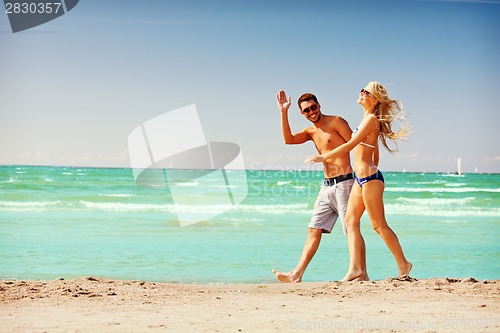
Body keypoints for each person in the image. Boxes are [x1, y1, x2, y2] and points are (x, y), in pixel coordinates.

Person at [305, 82, 413, 281]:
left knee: (378, 225)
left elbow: (351, 144)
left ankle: (403, 264)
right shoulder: (365, 119)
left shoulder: (371, 119)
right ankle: (357, 270)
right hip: (360, 179)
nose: (361, 93)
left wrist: (323, 157)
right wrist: (366, 169)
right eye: (362, 90)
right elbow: (373, 151)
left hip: (371, 179)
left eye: (366, 92)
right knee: (350, 221)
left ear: (374, 99)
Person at [272, 90, 356, 283]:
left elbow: (355, 143)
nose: (311, 112)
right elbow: (288, 139)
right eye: (306, 110)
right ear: (302, 113)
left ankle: (358, 271)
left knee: (351, 229)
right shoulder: (311, 132)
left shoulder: (336, 122)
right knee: (314, 229)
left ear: (319, 105)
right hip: (326, 187)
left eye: (313, 107)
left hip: (345, 183)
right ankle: (296, 274)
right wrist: (283, 112)